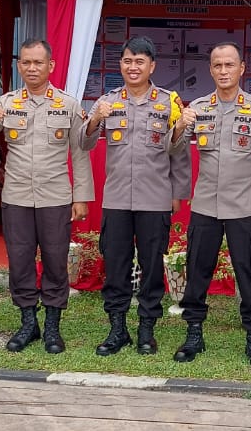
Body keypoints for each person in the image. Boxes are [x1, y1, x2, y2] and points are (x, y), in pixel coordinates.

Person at [0, 39, 94, 354]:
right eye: (26, 63)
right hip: (16, 196)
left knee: (56, 262)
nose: (32, 68)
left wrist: (81, 196)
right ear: (20, 66)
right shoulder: (6, 102)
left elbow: (80, 152)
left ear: (51, 66)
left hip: (56, 196)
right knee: (19, 262)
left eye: (38, 63)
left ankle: (53, 327)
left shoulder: (68, 105)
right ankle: (28, 323)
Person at [173, 42, 251, 370]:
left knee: (249, 274)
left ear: (241, 68)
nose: (223, 71)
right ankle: (194, 333)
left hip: (244, 207)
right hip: (205, 204)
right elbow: (174, 149)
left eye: (229, 65)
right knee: (197, 272)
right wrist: (179, 126)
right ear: (210, 69)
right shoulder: (198, 107)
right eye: (217, 65)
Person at [80, 36, 189, 356]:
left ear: (152, 66)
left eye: (140, 61)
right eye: (128, 61)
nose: (133, 67)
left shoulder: (167, 101)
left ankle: (146, 329)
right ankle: (117, 329)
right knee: (115, 264)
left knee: (152, 266)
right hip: (116, 199)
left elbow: (179, 153)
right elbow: (85, 144)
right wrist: (96, 118)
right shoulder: (107, 101)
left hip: (155, 198)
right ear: (121, 65)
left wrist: (178, 194)